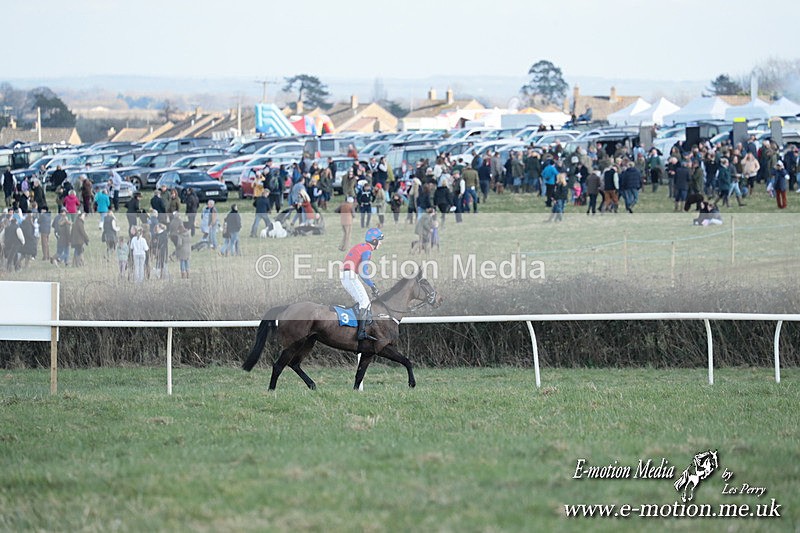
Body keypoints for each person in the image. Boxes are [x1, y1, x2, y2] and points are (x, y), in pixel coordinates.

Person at [340, 227, 384, 341]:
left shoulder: (362, 246)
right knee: (365, 302)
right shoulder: (367, 250)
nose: (381, 242)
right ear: (374, 241)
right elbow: (363, 273)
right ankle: (361, 333)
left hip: (347, 275)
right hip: (350, 276)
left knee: (362, 302)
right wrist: (373, 285)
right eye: (380, 240)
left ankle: (355, 326)